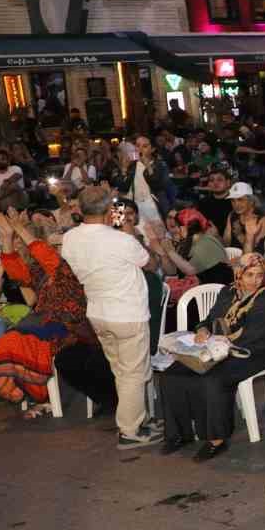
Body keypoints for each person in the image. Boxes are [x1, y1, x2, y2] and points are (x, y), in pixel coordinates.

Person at [157, 253, 265, 461]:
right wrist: (202, 331)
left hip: (250, 353)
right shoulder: (228, 292)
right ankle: (179, 435)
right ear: (238, 274)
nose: (255, 280)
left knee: (213, 379)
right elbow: (209, 320)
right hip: (217, 349)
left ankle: (216, 440)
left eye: (259, 275)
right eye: (249, 275)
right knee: (171, 375)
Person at [57, 186, 157, 445]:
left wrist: (115, 223)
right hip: (127, 314)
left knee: (122, 372)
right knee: (132, 374)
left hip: (98, 314)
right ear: (109, 210)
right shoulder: (121, 239)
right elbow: (151, 264)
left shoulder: (69, 239)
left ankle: (138, 418)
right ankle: (131, 432)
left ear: (79, 209)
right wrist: (126, 229)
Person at [0, 212, 97, 416]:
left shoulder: (64, 266)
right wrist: (6, 238)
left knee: (15, 341)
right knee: (9, 340)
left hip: (71, 326)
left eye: (22, 242)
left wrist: (19, 228)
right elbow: (15, 270)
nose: (20, 245)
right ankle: (19, 389)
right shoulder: (38, 270)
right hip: (44, 322)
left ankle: (31, 393)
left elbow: (45, 255)